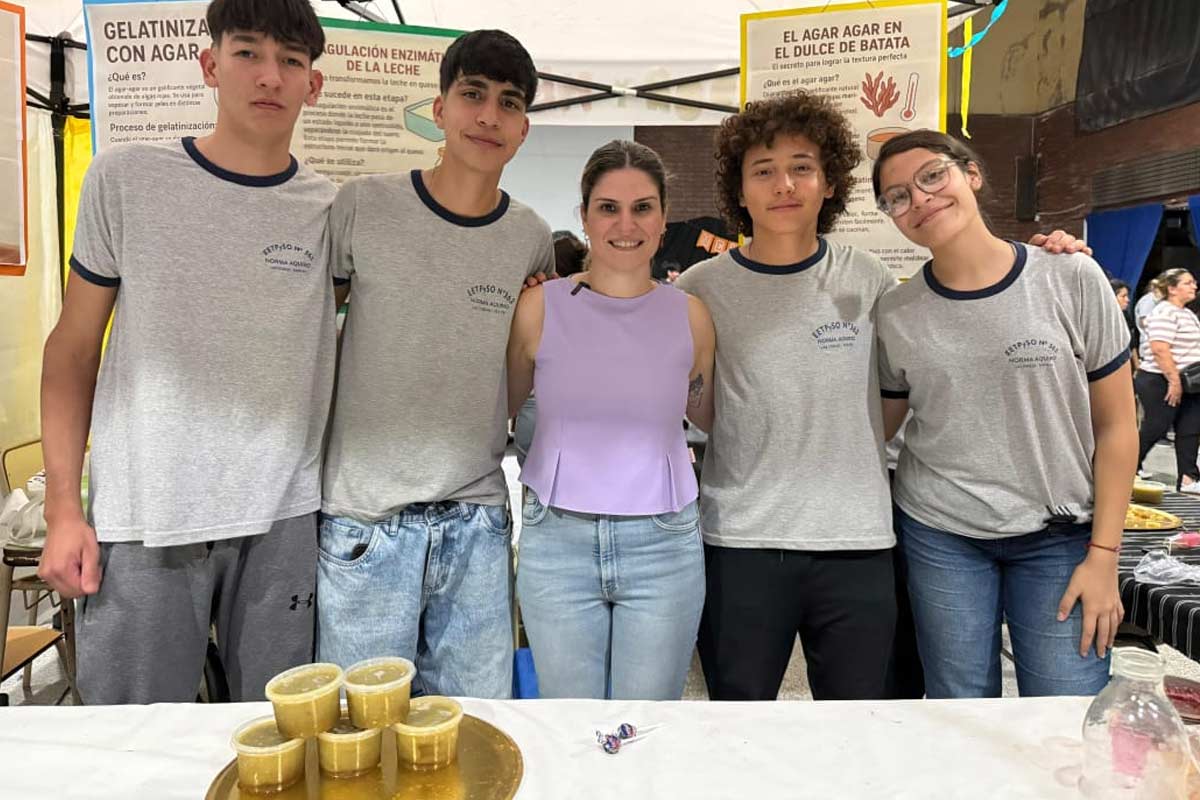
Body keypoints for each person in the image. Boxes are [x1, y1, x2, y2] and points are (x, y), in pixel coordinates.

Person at [675, 90, 1092, 702]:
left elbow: (930, 351)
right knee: (741, 723)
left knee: (865, 727)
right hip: (741, 538)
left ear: (829, 184)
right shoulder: (700, 288)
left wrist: (1052, 255)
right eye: (763, 171)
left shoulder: (871, 280)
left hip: (860, 541)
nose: (783, 184)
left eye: (802, 167)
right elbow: (697, 402)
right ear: (740, 192)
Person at [37, 0, 336, 703]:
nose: (270, 75)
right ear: (210, 64)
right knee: (131, 745)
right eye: (247, 52)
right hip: (146, 515)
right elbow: (73, 349)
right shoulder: (126, 179)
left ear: (312, 85)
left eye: (291, 60)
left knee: (278, 741)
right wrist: (62, 510)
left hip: (282, 519)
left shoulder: (331, 209)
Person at [316, 29, 554, 699]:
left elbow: (519, 378)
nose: (488, 117)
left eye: (508, 103)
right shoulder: (363, 204)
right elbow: (307, 332)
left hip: (475, 521)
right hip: (366, 522)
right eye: (472, 95)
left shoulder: (530, 239)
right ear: (440, 108)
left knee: (477, 736)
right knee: (359, 738)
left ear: (524, 128)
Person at [872, 129, 1136, 698]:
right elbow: (877, 427)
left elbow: (1117, 426)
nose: (918, 199)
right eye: (896, 196)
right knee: (960, 708)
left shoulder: (1070, 277)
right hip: (942, 533)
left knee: (1066, 707)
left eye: (932, 176)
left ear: (971, 174)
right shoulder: (896, 312)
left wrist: (1105, 556)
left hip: (1060, 535)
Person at [506, 140, 716, 699]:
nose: (626, 223)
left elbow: (705, 411)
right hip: (558, 540)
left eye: (643, 207)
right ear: (584, 216)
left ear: (663, 216)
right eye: (608, 207)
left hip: (664, 543)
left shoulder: (691, 316)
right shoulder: (538, 308)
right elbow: (500, 408)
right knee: (571, 727)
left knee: (644, 728)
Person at [512, 231, 587, 467]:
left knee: (537, 493)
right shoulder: (596, 305)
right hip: (577, 412)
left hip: (532, 409)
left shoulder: (530, 302)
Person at [1135, 268, 1200, 492]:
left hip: (1189, 382)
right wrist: (1174, 382)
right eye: (1188, 283)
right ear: (1172, 289)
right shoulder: (1164, 312)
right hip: (1159, 380)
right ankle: (1127, 469)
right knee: (1156, 427)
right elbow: (1160, 349)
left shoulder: (1187, 313)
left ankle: (1188, 479)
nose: (1194, 286)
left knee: (1190, 428)